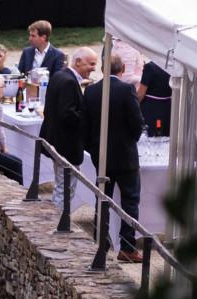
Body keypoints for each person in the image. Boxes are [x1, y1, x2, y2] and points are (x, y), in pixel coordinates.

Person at [83, 54, 145, 261]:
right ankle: (127, 246)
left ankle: (100, 239)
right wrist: (130, 142)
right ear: (124, 67)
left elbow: (86, 126)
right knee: (130, 200)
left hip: (100, 155)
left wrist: (93, 149)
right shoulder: (127, 90)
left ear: (102, 69)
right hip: (125, 155)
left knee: (102, 198)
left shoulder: (91, 91)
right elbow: (137, 124)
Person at [40, 47, 97, 206]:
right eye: (91, 64)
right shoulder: (69, 82)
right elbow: (67, 115)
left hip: (56, 142)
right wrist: (89, 117)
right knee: (65, 189)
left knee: (61, 186)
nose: (94, 68)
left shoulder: (60, 75)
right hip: (66, 146)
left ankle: (56, 220)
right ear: (78, 62)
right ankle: (59, 223)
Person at [137, 60, 172, 137]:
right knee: (163, 136)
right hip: (167, 108)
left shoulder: (150, 67)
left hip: (151, 108)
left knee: (150, 137)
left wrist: (134, 106)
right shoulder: (171, 66)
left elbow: (141, 94)